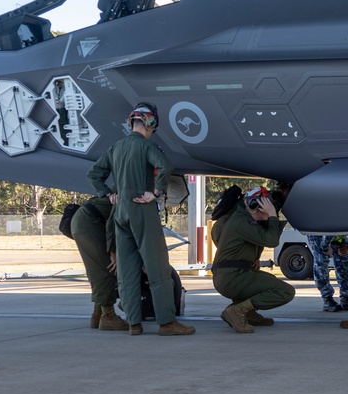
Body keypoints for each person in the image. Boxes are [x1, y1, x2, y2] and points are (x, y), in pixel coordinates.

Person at [87, 102, 194, 336]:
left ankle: (134, 323)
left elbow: (94, 173)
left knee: (127, 270)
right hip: (141, 208)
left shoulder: (117, 147)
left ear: (131, 121)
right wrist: (155, 193)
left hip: (120, 212)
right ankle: (167, 322)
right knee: (157, 269)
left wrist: (108, 194)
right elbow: (164, 166)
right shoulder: (147, 146)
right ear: (151, 123)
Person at [213, 186, 295, 333]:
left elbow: (260, 239)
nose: (274, 211)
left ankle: (247, 313)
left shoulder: (245, 218)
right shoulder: (242, 222)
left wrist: (255, 257)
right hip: (231, 278)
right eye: (269, 207)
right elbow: (271, 240)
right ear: (255, 206)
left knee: (270, 283)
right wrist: (272, 217)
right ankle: (237, 311)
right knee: (285, 291)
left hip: (235, 274)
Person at [70, 195, 129, 331]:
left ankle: (98, 314)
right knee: (106, 270)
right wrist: (112, 252)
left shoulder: (125, 182)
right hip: (89, 222)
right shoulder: (131, 187)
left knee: (98, 270)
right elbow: (114, 223)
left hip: (85, 221)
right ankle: (108, 316)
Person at [307, 235, 348, 312]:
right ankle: (327, 299)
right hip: (319, 233)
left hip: (338, 236)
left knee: (344, 260)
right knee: (321, 261)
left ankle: (346, 298)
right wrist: (325, 248)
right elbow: (328, 229)